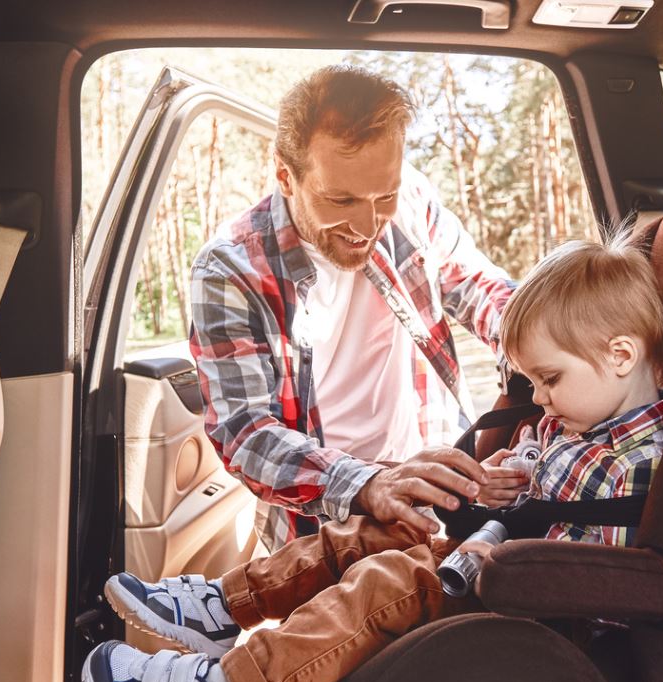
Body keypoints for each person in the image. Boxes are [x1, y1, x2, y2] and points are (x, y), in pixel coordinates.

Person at [80, 233, 663, 682]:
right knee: (369, 531)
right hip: (492, 556)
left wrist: (502, 546)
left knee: (387, 580)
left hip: (543, 606)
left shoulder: (638, 462)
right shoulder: (578, 423)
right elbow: (539, 468)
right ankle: (225, 606)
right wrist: (501, 478)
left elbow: (594, 572)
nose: (540, 402)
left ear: (622, 356)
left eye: (549, 379)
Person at [187, 64, 524, 553]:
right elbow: (245, 432)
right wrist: (369, 485)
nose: (367, 225)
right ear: (285, 174)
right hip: (321, 521)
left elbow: (477, 286)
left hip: (440, 489)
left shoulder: (410, 200)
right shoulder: (229, 269)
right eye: (339, 198)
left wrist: (543, 339)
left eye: (382, 195)